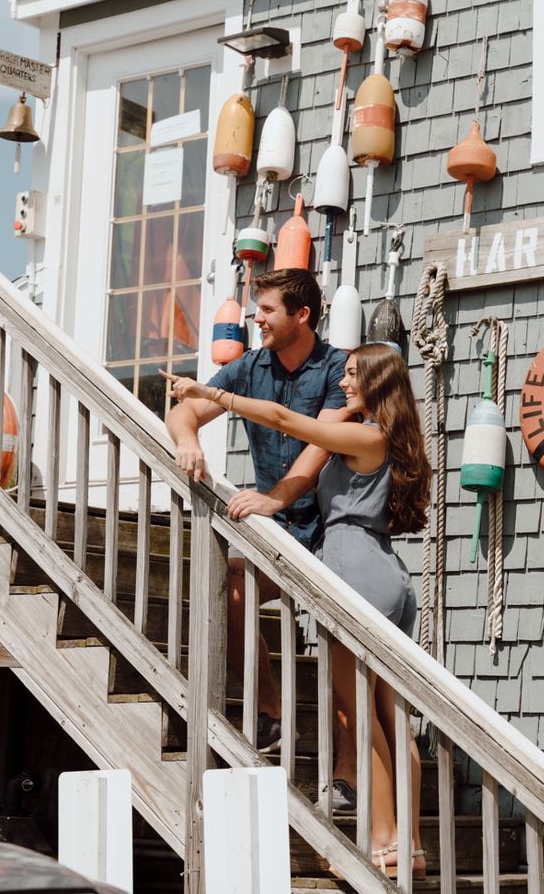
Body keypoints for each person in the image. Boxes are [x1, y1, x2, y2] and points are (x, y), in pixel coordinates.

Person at [166, 342, 431, 877]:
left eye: (355, 375)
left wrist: (212, 393)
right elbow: (315, 434)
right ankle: (411, 848)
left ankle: (383, 842)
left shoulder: (366, 435)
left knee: (361, 717)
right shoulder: (385, 435)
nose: (346, 382)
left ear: (378, 383)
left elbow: (287, 420)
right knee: (390, 716)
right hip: (386, 575)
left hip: (355, 573)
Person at [164, 268, 356, 804]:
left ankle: (345, 776)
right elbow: (187, 410)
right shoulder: (252, 364)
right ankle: (271, 711)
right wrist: (188, 442)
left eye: (267, 310)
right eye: (255, 309)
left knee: (338, 651)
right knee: (234, 590)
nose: (256, 319)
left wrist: (275, 499)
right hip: (281, 529)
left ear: (302, 315)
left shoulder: (340, 368)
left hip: (332, 526)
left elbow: (320, 447)